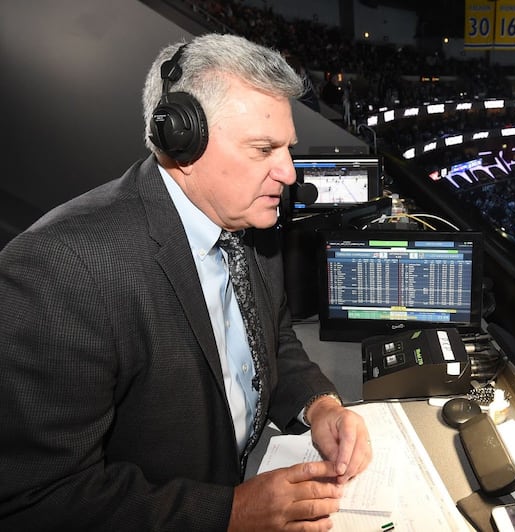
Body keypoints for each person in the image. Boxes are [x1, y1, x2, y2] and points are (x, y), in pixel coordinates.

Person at [0, 33, 371, 531]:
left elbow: (274, 341)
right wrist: (232, 513)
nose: (288, 172)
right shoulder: (61, 268)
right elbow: (40, 499)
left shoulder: (251, 222)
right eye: (264, 149)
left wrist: (319, 406)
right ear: (183, 141)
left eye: (287, 148)